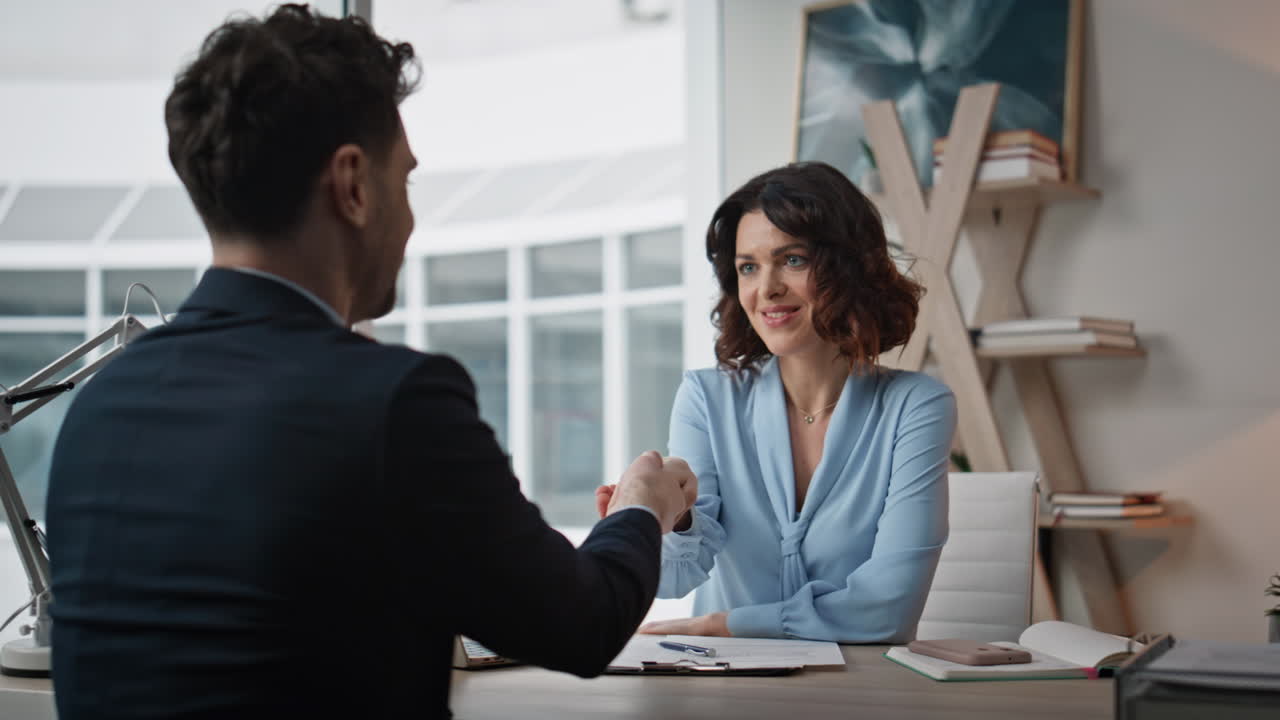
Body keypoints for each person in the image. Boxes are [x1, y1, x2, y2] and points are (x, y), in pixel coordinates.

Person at [45, 6, 695, 718]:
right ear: (353, 185)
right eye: (405, 182)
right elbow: (583, 622)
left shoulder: (101, 405)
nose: (410, 218)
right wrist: (644, 505)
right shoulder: (391, 405)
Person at [603, 161, 956, 643]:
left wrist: (724, 624)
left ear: (848, 268)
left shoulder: (916, 407)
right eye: (749, 267)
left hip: (861, 691)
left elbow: (888, 610)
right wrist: (672, 516)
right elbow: (674, 578)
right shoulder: (707, 398)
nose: (766, 288)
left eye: (792, 260)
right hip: (727, 687)